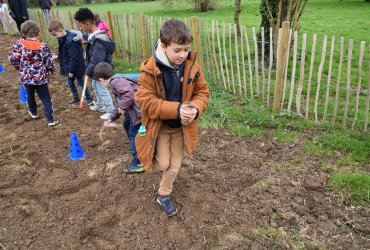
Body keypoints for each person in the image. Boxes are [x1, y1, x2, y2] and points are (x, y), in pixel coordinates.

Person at [135, 19, 209, 216]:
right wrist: (177, 109)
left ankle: (163, 195)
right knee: (161, 164)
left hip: (181, 127)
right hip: (158, 127)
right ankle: (144, 155)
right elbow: (145, 101)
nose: (183, 55)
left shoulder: (192, 66)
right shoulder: (149, 69)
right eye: (177, 50)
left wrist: (194, 108)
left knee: (174, 166)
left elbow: (203, 93)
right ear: (163, 45)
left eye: (186, 49)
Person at [93, 62, 144, 174]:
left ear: (101, 79)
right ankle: (134, 145)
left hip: (139, 112)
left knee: (134, 134)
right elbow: (121, 103)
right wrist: (112, 118)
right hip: (134, 111)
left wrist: (122, 107)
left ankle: (139, 163)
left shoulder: (116, 82)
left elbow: (128, 94)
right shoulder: (116, 79)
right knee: (126, 124)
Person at [8, 20, 59, 126]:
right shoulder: (43, 46)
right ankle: (51, 120)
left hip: (26, 77)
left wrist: (19, 67)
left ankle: (33, 112)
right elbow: (48, 62)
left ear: (23, 33)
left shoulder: (18, 45)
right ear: (38, 32)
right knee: (46, 98)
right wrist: (51, 70)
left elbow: (13, 59)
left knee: (29, 96)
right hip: (41, 78)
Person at [74, 8, 115, 120]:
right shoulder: (93, 36)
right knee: (95, 87)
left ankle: (111, 111)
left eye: (81, 26)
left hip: (101, 70)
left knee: (102, 89)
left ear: (87, 24)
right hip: (95, 69)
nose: (80, 28)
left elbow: (96, 58)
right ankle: (101, 106)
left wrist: (88, 71)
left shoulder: (99, 40)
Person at [48, 20, 94, 105]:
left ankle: (89, 98)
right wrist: (58, 56)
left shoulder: (70, 41)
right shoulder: (62, 38)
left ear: (61, 30)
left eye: (55, 34)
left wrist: (71, 71)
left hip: (76, 67)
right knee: (70, 82)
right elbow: (65, 53)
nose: (55, 37)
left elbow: (74, 58)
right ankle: (76, 98)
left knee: (80, 82)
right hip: (69, 66)